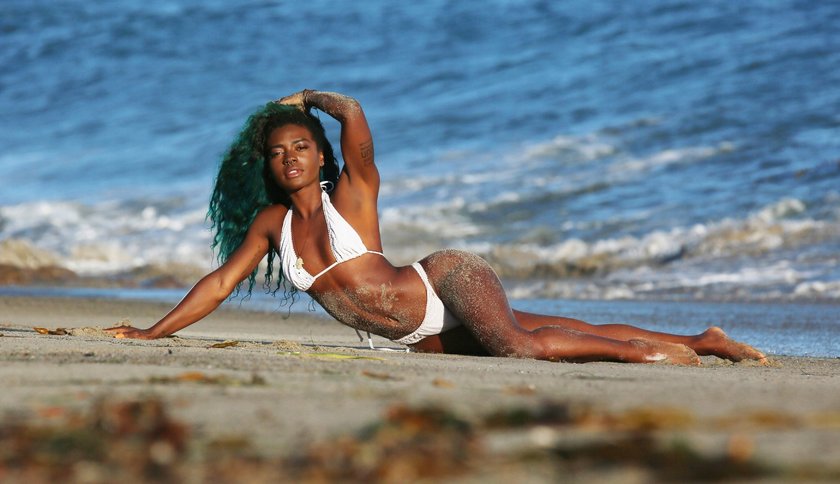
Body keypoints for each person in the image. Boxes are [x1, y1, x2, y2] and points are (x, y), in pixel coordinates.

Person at [106, 90, 767, 365]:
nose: (290, 158)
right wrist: (152, 332)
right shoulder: (271, 224)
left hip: (446, 280)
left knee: (519, 347)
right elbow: (220, 283)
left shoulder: (353, 192)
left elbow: (352, 112)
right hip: (417, 336)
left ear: (320, 155)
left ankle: (646, 356)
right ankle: (702, 339)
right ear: (269, 166)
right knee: (556, 330)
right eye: (278, 152)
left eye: (301, 146)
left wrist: (305, 99)